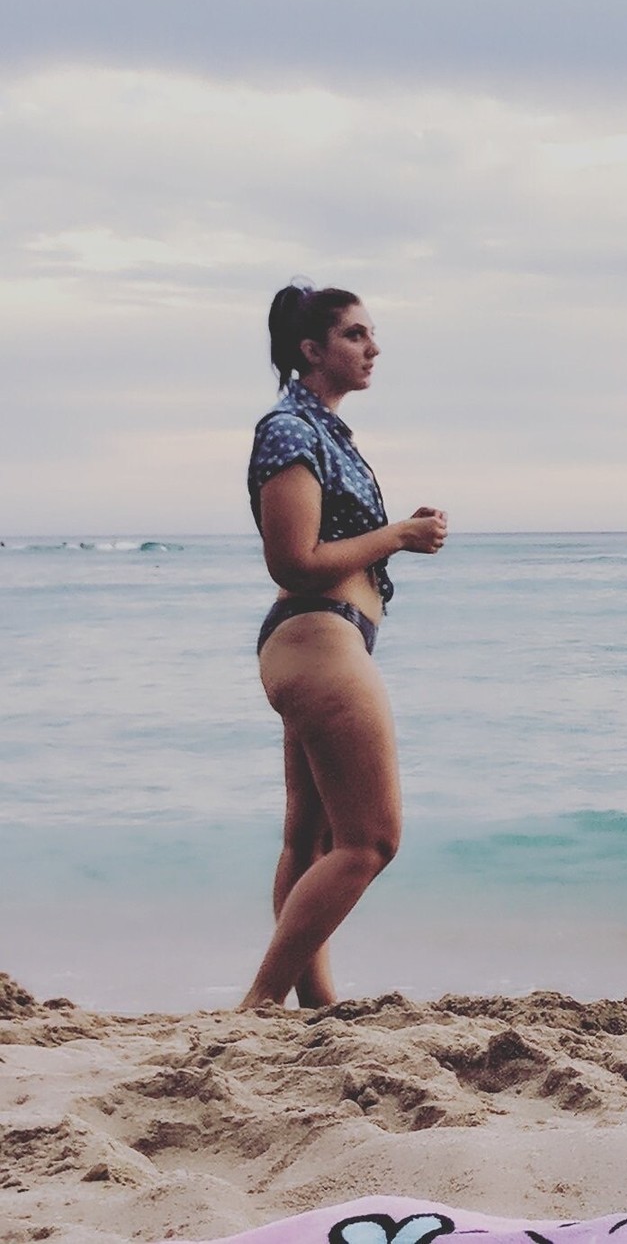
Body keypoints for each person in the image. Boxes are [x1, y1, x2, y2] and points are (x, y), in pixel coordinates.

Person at [240, 282, 447, 1009]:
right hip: (317, 636)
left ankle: (316, 1004)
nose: (373, 348)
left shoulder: (321, 431)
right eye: (356, 335)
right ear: (311, 349)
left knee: (312, 841)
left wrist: (395, 535)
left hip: (324, 638)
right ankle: (261, 1002)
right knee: (372, 841)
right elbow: (294, 561)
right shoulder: (289, 431)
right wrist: (398, 536)